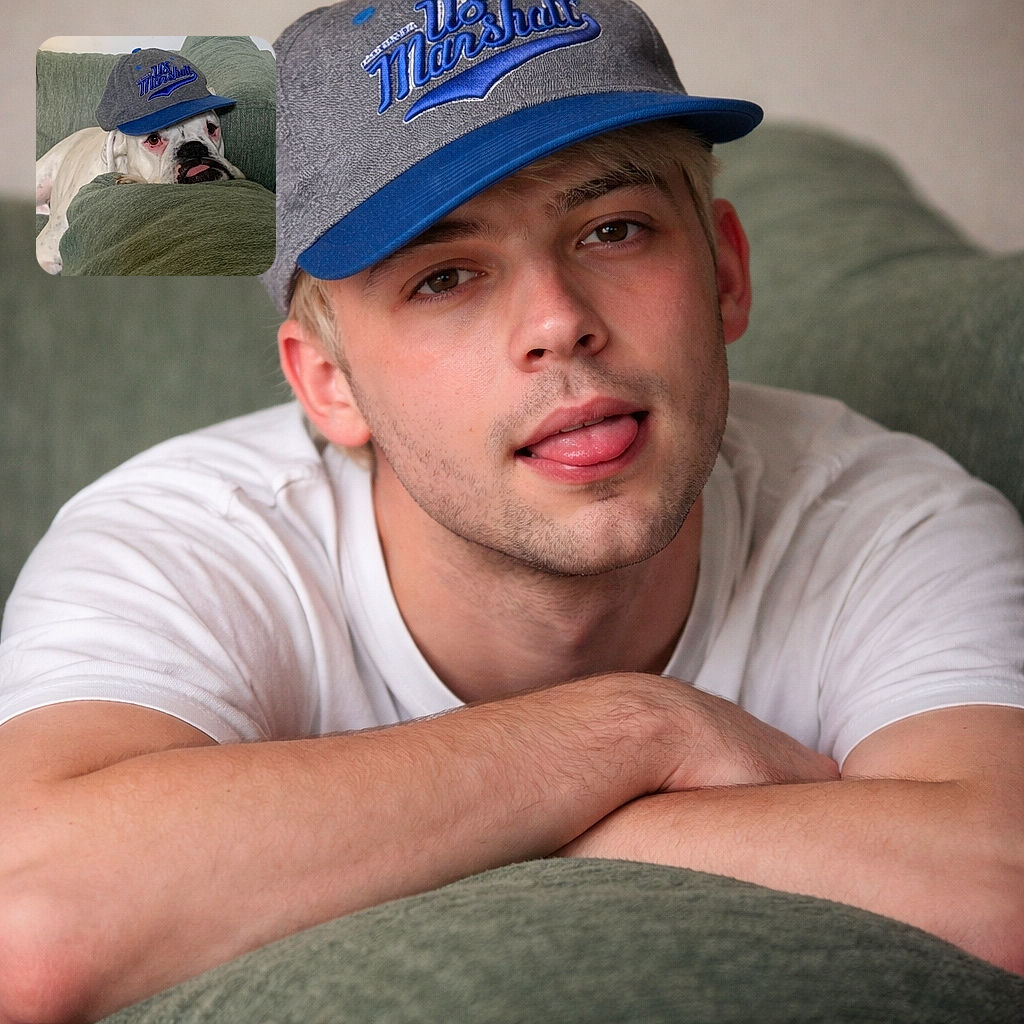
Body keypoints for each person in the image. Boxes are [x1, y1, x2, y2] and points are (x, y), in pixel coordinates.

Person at [2, 0, 1023, 1019]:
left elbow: (1003, 889)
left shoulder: (884, 513)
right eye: (444, 277)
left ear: (727, 271)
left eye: (613, 229)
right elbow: (29, 925)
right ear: (328, 385)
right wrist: (631, 732)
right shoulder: (183, 541)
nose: (559, 324)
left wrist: (487, 828)